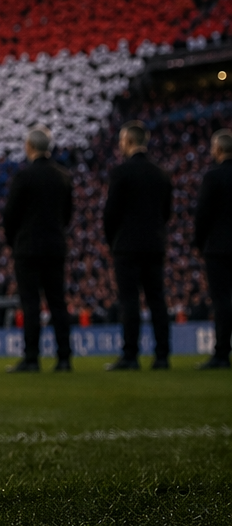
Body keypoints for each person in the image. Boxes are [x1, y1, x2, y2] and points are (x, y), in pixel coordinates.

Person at [102, 120, 175, 371]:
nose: (120, 145)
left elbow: (110, 214)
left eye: (122, 141)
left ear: (129, 141)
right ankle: (162, 356)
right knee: (157, 300)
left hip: (127, 246)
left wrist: (114, 241)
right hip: (154, 244)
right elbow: (167, 211)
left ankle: (130, 356)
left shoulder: (121, 173)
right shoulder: (161, 173)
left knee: (130, 301)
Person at [2, 125, 75, 372]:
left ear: (29, 147)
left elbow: (10, 216)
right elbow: (67, 214)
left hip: (28, 248)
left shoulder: (24, 177)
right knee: (57, 302)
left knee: (31, 304)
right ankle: (64, 358)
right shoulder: (63, 176)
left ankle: (31, 358)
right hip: (54, 246)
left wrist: (15, 241)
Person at [193, 129, 232, 369]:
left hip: (218, 249)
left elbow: (202, 216)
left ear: (217, 150)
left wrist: (200, 244)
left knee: (221, 302)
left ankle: (221, 354)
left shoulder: (213, 176)